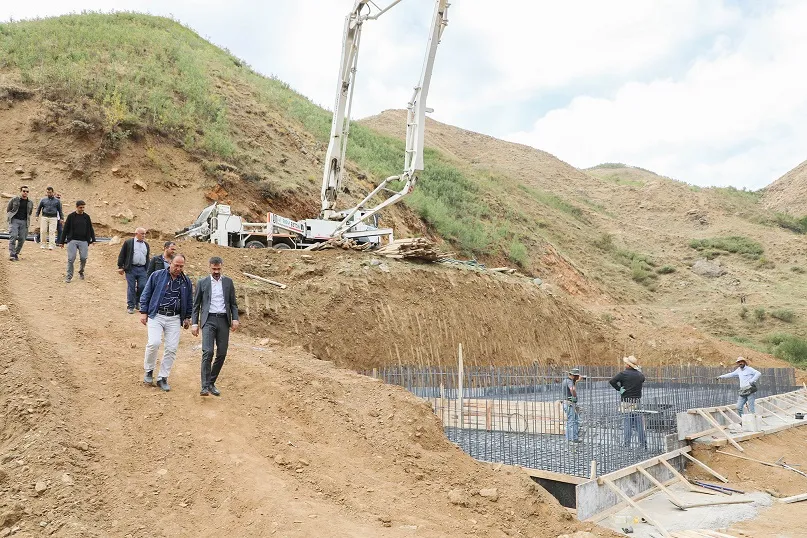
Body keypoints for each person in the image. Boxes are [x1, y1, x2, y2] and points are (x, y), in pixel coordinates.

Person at [139, 254, 193, 392]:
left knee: (171, 348)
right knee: (154, 343)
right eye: (176, 265)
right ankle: (149, 371)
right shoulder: (157, 275)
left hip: (174, 318)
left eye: (181, 266)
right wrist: (144, 312)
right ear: (170, 263)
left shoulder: (185, 281)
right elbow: (146, 293)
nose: (178, 268)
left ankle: (163, 377)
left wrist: (187, 317)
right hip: (156, 315)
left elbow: (188, 300)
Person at [192, 256, 240, 396]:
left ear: (222, 267)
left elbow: (233, 304)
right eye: (214, 269)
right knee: (208, 352)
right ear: (209, 267)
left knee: (222, 353)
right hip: (209, 320)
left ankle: (211, 382)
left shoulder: (228, 282)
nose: (216, 271)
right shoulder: (202, 282)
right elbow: (196, 305)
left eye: (218, 268)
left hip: (224, 320)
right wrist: (195, 323)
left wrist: (235, 319)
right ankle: (205, 386)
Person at [609, 355, 647, 449]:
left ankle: (626, 444)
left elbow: (612, 381)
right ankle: (643, 444)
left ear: (629, 365)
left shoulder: (623, 374)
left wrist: (619, 389)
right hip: (637, 401)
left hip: (626, 401)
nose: (625, 364)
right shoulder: (640, 375)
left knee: (627, 423)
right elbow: (642, 379)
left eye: (626, 363)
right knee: (639, 424)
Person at [59, 200, 95, 283]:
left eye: (83, 207)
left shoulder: (86, 217)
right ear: (76, 207)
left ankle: (81, 271)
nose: (82, 209)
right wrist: (62, 241)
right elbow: (65, 229)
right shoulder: (71, 216)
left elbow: (90, 228)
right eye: (80, 207)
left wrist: (93, 239)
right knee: (71, 259)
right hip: (72, 240)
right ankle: (69, 276)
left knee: (83, 258)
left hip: (84, 241)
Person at [117, 228, 150, 314]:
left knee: (142, 286)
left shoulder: (146, 245)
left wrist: (148, 269)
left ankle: (137, 302)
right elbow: (122, 254)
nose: (144, 235)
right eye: (142, 234)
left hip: (142, 269)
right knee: (131, 287)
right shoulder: (129, 242)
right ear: (136, 234)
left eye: (144, 234)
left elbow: (147, 258)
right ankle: (130, 306)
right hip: (131, 268)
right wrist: (120, 266)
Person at [6, 185, 34, 261]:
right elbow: (9, 209)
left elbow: (30, 212)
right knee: (13, 236)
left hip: (24, 222)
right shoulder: (14, 199)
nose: (25, 193)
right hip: (14, 220)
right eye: (24, 191)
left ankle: (16, 253)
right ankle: (12, 254)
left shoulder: (30, 202)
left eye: (27, 191)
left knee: (22, 238)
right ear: (20, 191)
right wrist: (10, 216)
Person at [563, 367, 582, 443]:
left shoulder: (566, 380)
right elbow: (572, 389)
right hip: (569, 404)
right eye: (577, 376)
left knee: (571, 421)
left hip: (567, 403)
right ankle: (573, 439)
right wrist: (574, 397)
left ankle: (570, 438)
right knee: (572, 422)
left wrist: (577, 380)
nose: (578, 377)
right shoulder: (570, 382)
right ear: (573, 375)